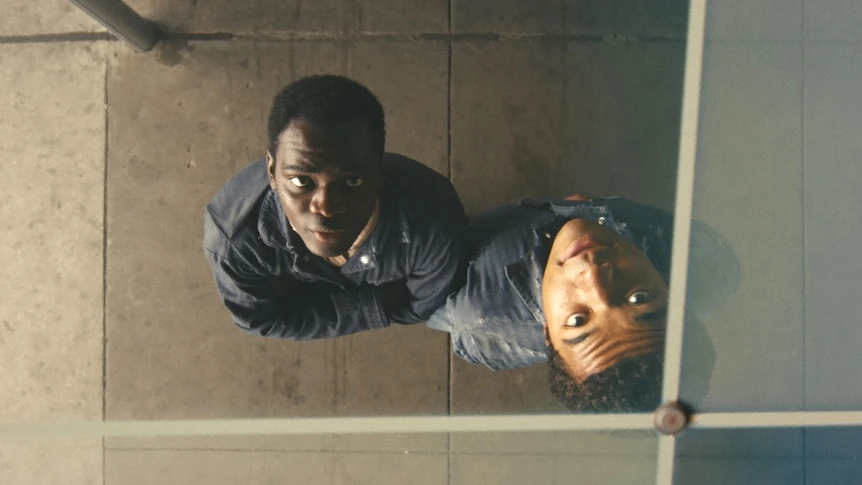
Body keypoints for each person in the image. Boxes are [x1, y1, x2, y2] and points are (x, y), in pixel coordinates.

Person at [204, 75, 468, 340]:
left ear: (380, 171)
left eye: (352, 181)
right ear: (271, 171)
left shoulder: (437, 225)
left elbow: (419, 308)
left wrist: (301, 305)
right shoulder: (233, 239)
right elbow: (263, 321)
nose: (326, 207)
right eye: (301, 181)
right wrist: (379, 303)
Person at [427, 195, 675, 412]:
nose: (592, 275)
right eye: (639, 298)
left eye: (578, 320)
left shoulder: (476, 304)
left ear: (547, 334)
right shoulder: (688, 246)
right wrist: (581, 209)